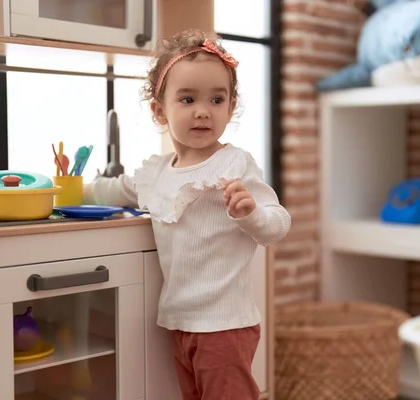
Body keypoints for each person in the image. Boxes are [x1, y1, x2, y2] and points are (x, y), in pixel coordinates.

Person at [83, 29, 291, 400]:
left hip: (225, 325)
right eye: (187, 98)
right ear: (159, 110)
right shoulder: (159, 172)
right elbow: (115, 190)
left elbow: (277, 225)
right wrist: (63, 191)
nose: (202, 110)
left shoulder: (234, 163)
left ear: (230, 106)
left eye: (216, 99)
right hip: (180, 322)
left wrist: (251, 213)